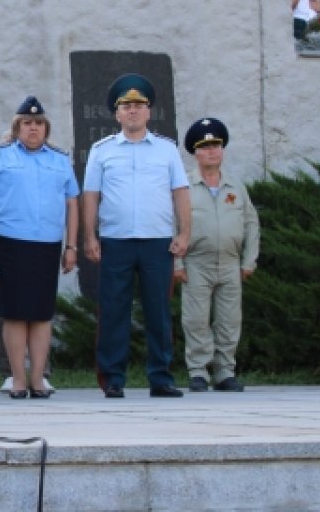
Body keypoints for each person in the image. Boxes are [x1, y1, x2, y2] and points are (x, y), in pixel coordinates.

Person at [83, 74, 190, 399]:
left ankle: (161, 377)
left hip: (158, 242)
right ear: (116, 114)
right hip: (116, 241)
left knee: (158, 311)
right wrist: (89, 236)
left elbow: (180, 192)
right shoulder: (101, 151)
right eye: (126, 106)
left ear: (149, 112)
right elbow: (90, 195)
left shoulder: (166, 150)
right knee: (114, 310)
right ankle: (113, 377)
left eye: (139, 106)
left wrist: (185, 233)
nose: (133, 111)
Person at [0, 96, 78, 400]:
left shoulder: (59, 160)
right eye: (27, 123)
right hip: (7, 243)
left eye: (39, 123)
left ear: (46, 128)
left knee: (42, 314)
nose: (33, 128)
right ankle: (17, 378)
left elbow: (72, 203)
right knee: (14, 314)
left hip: (45, 244)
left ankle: (38, 379)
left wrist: (71, 245)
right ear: (17, 127)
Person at [175, 118, 259, 393]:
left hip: (230, 264)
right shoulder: (184, 187)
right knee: (196, 320)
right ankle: (198, 371)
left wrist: (249, 261)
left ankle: (225, 372)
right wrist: (177, 263)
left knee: (229, 320)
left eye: (216, 146)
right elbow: (172, 225)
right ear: (195, 153)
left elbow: (251, 224)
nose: (212, 151)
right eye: (205, 147)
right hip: (196, 263)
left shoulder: (236, 187)